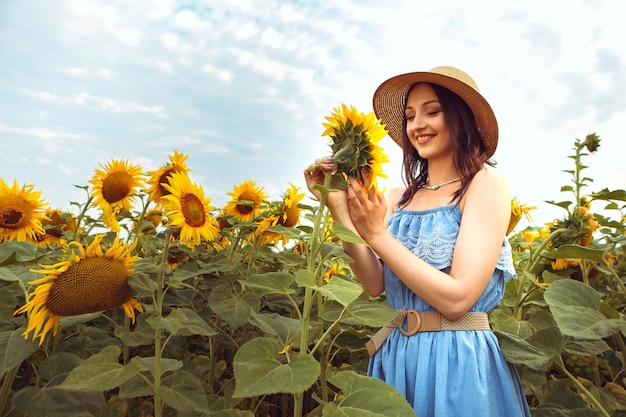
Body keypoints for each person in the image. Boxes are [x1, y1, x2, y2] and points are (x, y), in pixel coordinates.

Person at [304, 66, 531, 416]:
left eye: (432, 111)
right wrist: (338, 208)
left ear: (461, 118)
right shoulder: (399, 197)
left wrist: (377, 234)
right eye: (410, 116)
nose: (417, 125)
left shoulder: (485, 184)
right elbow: (373, 284)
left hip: (457, 360)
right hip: (397, 357)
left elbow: (458, 299)